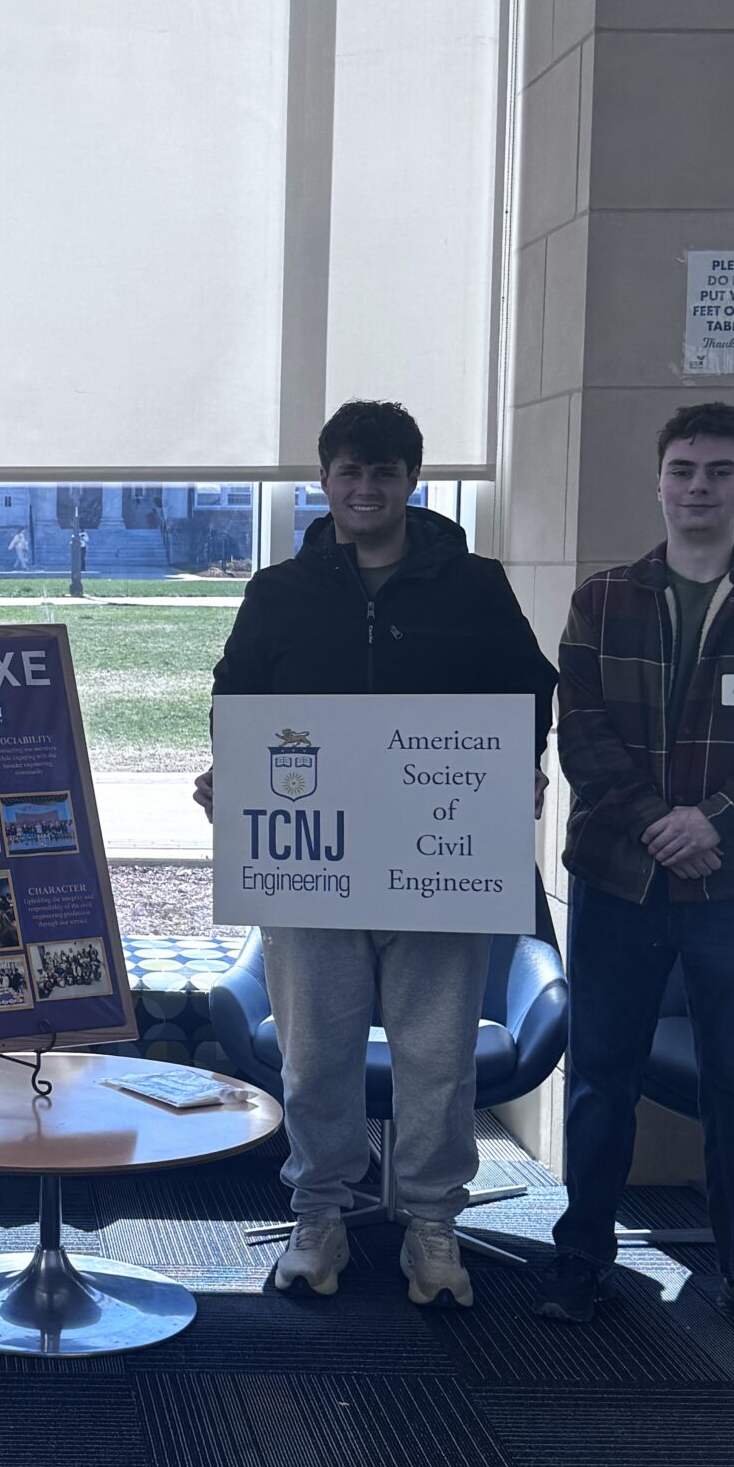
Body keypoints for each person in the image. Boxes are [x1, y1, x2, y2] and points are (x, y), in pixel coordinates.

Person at [196, 401, 557, 1309]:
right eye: (349, 472)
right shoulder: (279, 592)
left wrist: (523, 771)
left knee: (439, 1060)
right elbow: (233, 697)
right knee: (314, 1057)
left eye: (385, 473)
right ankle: (319, 1215)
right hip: (312, 870)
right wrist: (224, 774)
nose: (366, 489)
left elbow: (526, 693)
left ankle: (434, 1226)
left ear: (412, 482)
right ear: (324, 482)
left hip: (439, 867)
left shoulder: (472, 585)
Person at [534, 402, 734, 1349]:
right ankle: (583, 1259)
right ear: (658, 480)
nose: (698, 487)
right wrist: (656, 826)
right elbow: (578, 729)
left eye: (717, 471)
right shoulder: (603, 597)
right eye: (682, 470)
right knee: (601, 1080)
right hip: (618, 880)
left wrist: (714, 821)